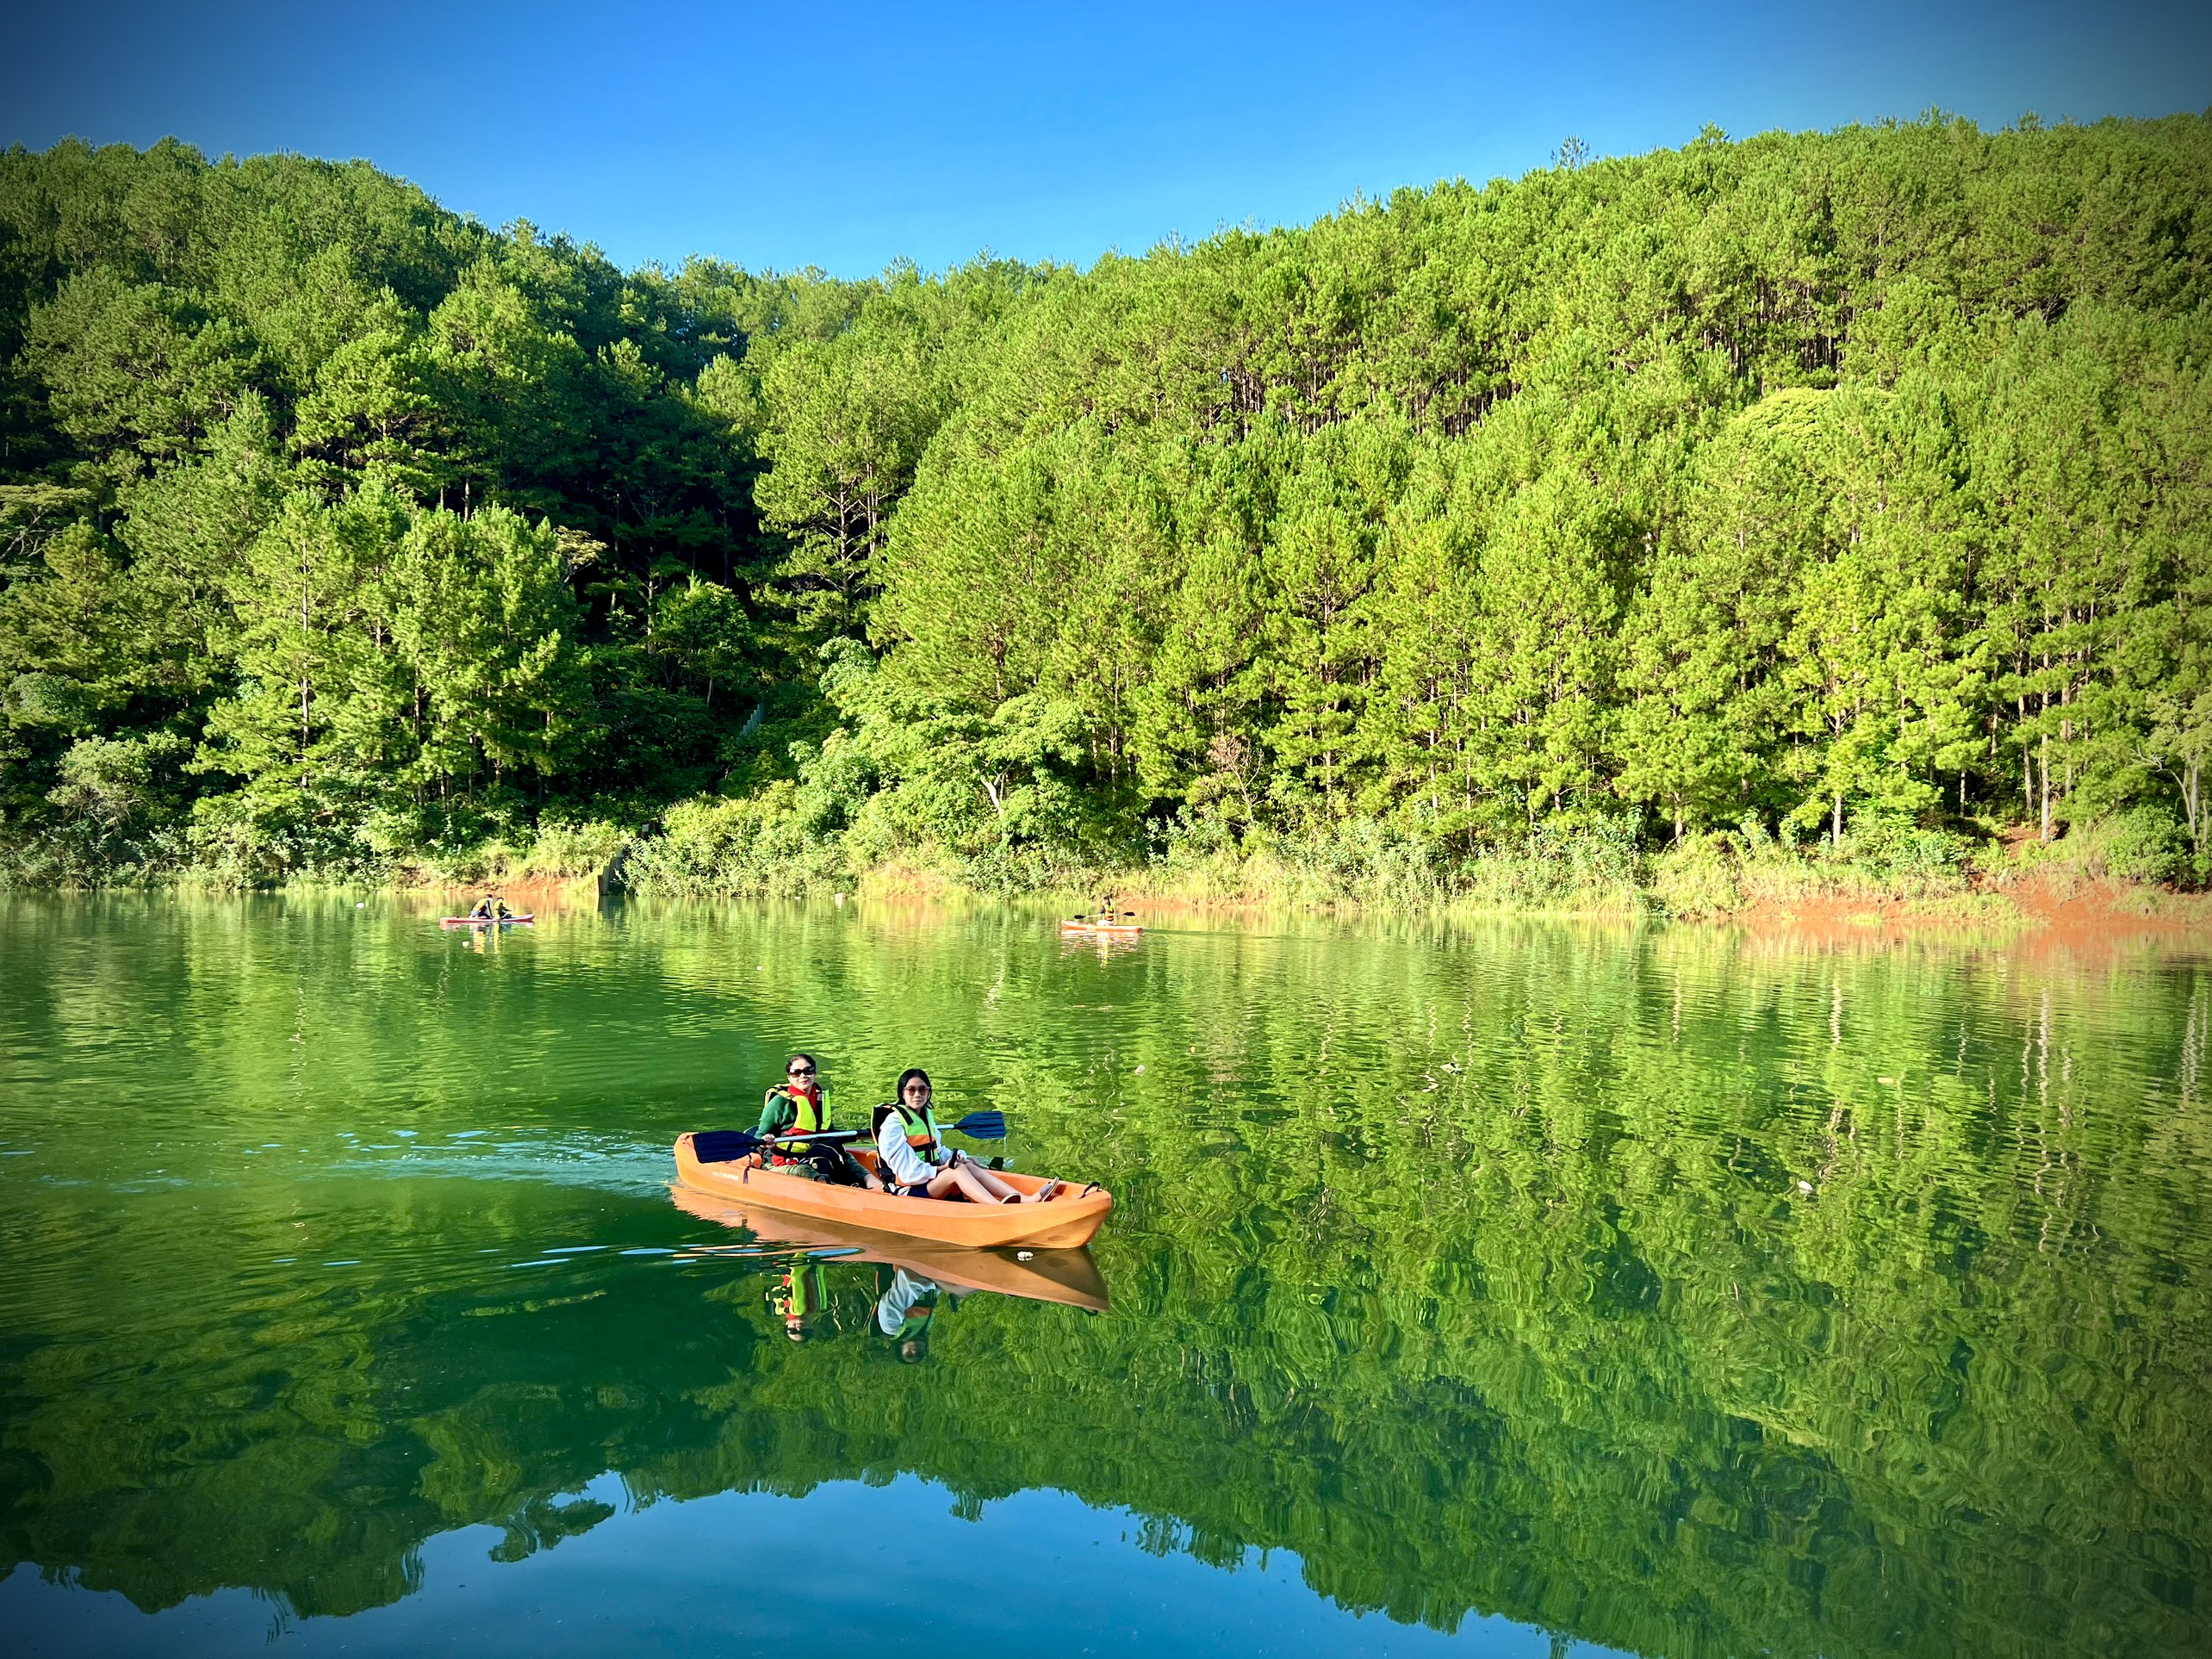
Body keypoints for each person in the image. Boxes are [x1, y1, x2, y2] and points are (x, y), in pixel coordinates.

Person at [872, 1068, 1059, 1204]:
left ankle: (1026, 1200)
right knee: (957, 1171)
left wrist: (962, 1157)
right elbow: (908, 1174)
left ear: (929, 1092)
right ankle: (996, 1208)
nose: (917, 1094)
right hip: (908, 1190)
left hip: (927, 1181)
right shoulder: (893, 1125)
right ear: (902, 1093)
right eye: (911, 1090)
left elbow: (938, 1151)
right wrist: (945, 1168)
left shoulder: (925, 1116)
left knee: (965, 1164)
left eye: (923, 1089)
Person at [757, 1053, 881, 1190]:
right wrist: (765, 1141)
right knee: (804, 1170)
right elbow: (759, 1136)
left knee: (845, 1156)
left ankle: (875, 1186)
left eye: (808, 1071)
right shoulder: (779, 1103)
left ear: (814, 1074)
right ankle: (833, 1192)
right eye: (796, 1073)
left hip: (810, 1154)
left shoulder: (818, 1099)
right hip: (778, 1162)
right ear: (789, 1077)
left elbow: (828, 1135)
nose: (803, 1076)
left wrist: (857, 1136)